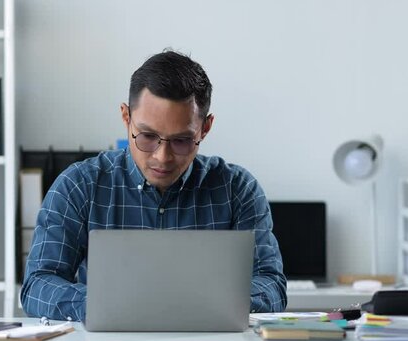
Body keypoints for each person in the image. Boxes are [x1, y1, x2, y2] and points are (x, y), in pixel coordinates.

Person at [21, 50, 287, 321]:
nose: (162, 156)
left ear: (205, 128)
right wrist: (106, 305)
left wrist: (212, 305)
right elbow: (38, 285)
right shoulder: (80, 185)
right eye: (147, 136)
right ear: (126, 117)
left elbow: (271, 284)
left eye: (181, 140)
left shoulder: (237, 190)